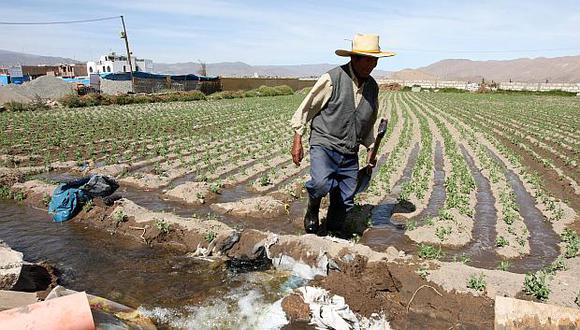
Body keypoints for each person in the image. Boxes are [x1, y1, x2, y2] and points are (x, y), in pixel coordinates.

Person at [290, 33, 395, 234]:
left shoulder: (372, 87)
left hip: (350, 149)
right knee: (321, 184)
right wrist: (298, 138)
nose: (371, 65)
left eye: (375, 60)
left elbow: (367, 122)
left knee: (345, 199)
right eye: (367, 60)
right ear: (353, 58)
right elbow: (307, 107)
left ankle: (332, 231)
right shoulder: (332, 78)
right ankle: (313, 208)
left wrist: (371, 149)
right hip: (325, 143)